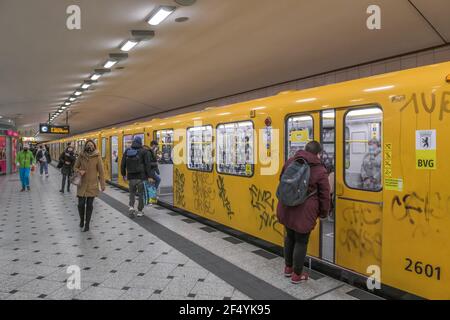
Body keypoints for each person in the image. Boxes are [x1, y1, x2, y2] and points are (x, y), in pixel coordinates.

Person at [276, 141, 331, 284]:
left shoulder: (290, 161)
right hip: (305, 212)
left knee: (290, 237)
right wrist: (324, 212)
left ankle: (288, 268)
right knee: (301, 241)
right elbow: (325, 194)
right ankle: (297, 275)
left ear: (305, 150)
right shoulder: (320, 169)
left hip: (287, 206)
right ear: (318, 153)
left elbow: (281, 179)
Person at [73, 140, 106, 232]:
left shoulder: (97, 157)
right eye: (88, 145)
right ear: (85, 146)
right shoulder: (81, 155)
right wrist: (79, 171)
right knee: (81, 204)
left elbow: (101, 172)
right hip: (82, 184)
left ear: (94, 147)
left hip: (92, 185)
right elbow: (75, 167)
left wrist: (102, 184)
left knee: (90, 205)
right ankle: (81, 220)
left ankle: (87, 224)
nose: (90, 146)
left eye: (91, 145)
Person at [121, 136, 151, 217]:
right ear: (141, 142)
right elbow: (147, 165)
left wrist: (123, 174)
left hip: (131, 177)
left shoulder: (128, 150)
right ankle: (140, 211)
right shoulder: (144, 151)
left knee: (132, 193)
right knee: (141, 194)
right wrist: (149, 176)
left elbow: (123, 164)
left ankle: (131, 207)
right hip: (141, 177)